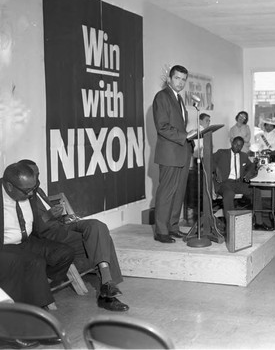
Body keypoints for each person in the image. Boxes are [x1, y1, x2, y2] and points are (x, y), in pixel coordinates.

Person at [19, 159, 129, 312]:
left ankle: (107, 287)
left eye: (38, 175)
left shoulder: (38, 189)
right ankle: (107, 289)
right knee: (102, 239)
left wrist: (61, 216)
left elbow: (50, 215)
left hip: (61, 224)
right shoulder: (21, 195)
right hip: (49, 234)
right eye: (34, 175)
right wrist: (48, 216)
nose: (37, 179)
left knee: (97, 226)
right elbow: (28, 228)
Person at [1, 162, 74, 303]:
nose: (30, 193)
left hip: (27, 240)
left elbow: (37, 223)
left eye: (32, 188)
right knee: (35, 262)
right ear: (9, 186)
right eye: (27, 190)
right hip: (4, 246)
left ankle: (35, 289)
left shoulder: (28, 190)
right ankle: (35, 307)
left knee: (65, 253)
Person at [152, 65, 193, 244]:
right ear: (169, 79)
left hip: (182, 152)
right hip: (169, 154)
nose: (180, 82)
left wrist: (190, 135)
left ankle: (173, 227)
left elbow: (178, 126)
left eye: (183, 79)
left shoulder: (178, 99)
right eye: (177, 78)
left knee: (178, 193)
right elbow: (162, 127)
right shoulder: (162, 97)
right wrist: (185, 136)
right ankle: (161, 231)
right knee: (166, 192)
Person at [213, 137, 270, 230]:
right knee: (229, 194)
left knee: (256, 191)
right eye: (236, 144)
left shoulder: (244, 156)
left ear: (242, 146)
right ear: (232, 143)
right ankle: (230, 225)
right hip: (224, 183)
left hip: (238, 183)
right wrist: (217, 169)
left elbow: (251, 166)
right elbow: (207, 159)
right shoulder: (222, 153)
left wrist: (248, 173)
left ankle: (259, 222)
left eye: (240, 145)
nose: (237, 146)